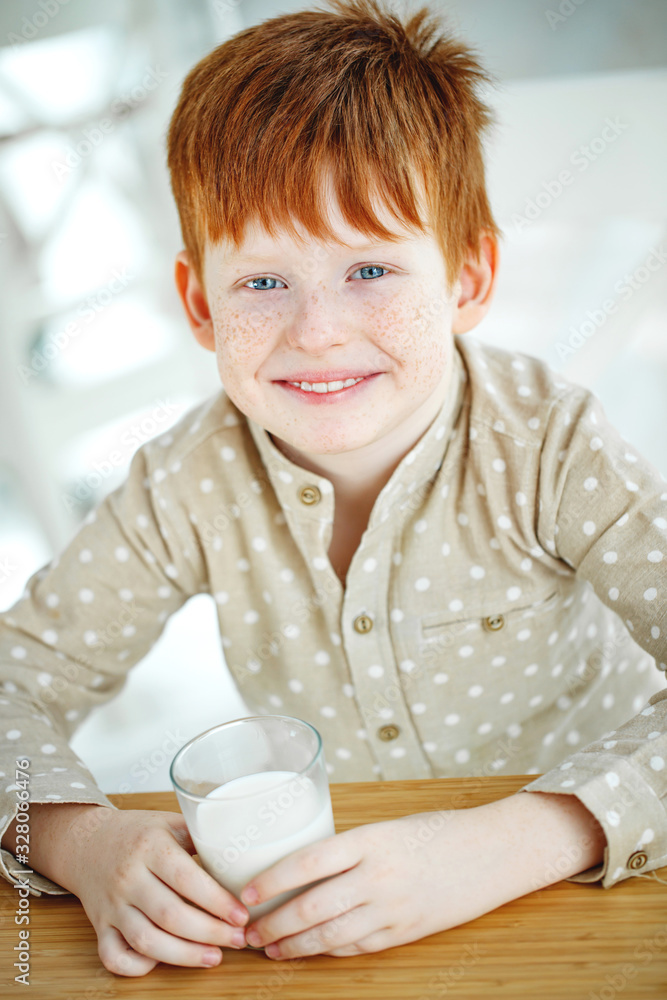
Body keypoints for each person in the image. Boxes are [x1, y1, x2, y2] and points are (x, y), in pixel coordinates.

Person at [1, 0, 666, 978]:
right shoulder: (187, 483)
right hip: (335, 931)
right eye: (263, 282)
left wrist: (525, 836)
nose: (316, 333)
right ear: (199, 303)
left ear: (467, 277)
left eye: (369, 268)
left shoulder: (550, 447)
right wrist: (75, 838)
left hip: (583, 902)